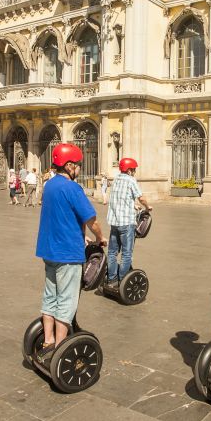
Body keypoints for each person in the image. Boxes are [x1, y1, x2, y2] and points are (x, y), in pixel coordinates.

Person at [34, 144, 106, 364]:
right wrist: (99, 238)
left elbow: (60, 215)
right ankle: (59, 346)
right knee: (66, 301)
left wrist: (78, 234)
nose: (79, 169)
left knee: (50, 297)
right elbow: (91, 220)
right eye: (77, 165)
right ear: (69, 165)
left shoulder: (50, 185)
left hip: (49, 249)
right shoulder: (72, 188)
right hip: (68, 253)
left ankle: (47, 341)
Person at [104, 158, 152, 290]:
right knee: (126, 254)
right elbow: (141, 197)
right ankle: (122, 281)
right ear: (129, 170)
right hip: (126, 223)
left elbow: (120, 199)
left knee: (113, 252)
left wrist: (133, 205)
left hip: (114, 222)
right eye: (134, 170)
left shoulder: (116, 179)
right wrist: (147, 207)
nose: (134, 172)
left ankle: (112, 279)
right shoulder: (131, 180)